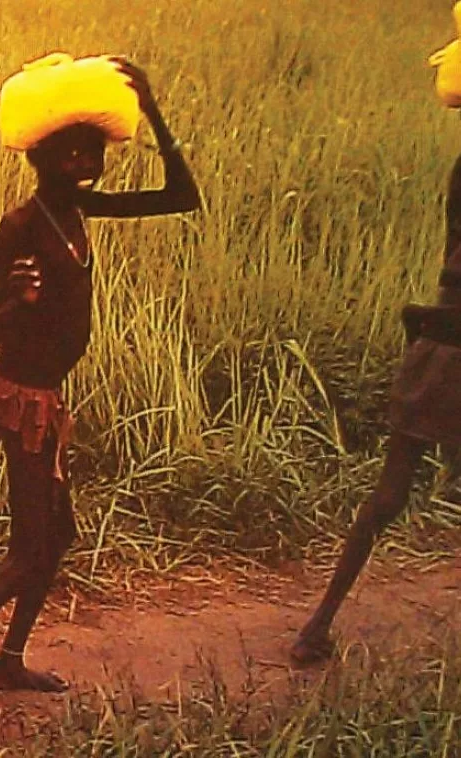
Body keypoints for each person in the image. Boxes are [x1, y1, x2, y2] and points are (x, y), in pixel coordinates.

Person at [0, 54, 200, 744]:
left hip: (47, 399)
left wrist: (150, 111)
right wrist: (19, 302)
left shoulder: (79, 210)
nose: (85, 160)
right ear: (40, 155)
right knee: (29, 552)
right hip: (19, 397)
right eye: (69, 150)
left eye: (92, 148)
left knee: (58, 537)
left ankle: (6, 661)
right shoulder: (21, 225)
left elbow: (182, 197)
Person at [290, 4, 461, 666]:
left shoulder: (458, 171)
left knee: (387, 497)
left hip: (436, 348)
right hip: (453, 345)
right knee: (389, 495)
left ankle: (317, 625)